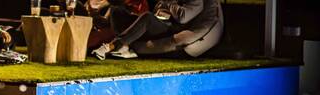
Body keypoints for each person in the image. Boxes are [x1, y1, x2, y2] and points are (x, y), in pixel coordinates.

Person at [91, 0, 223, 60]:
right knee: (116, 11)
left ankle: (113, 45)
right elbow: (156, 11)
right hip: (160, 22)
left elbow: (184, 17)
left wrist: (168, 5)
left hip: (173, 29)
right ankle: (127, 44)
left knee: (147, 18)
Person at [84, 0, 149, 50]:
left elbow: (141, 25)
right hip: (113, 36)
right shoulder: (115, 6)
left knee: (116, 9)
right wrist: (94, 15)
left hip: (130, 38)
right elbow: (104, 23)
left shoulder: (141, 3)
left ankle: (122, 47)